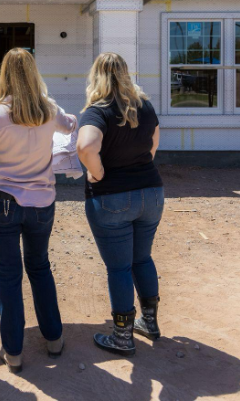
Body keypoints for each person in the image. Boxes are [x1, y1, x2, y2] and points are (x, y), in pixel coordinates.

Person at [0, 48, 76, 373]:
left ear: (4, 75)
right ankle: (53, 339)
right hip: (41, 205)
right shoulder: (47, 109)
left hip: (3, 205)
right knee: (39, 268)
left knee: (9, 276)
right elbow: (69, 125)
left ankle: (13, 351)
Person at [77, 52, 163, 357]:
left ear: (96, 76)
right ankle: (149, 322)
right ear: (126, 74)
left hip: (112, 198)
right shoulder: (145, 107)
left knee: (119, 267)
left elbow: (86, 145)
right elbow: (153, 143)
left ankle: (123, 336)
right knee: (142, 258)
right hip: (151, 193)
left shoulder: (97, 111)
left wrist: (96, 172)